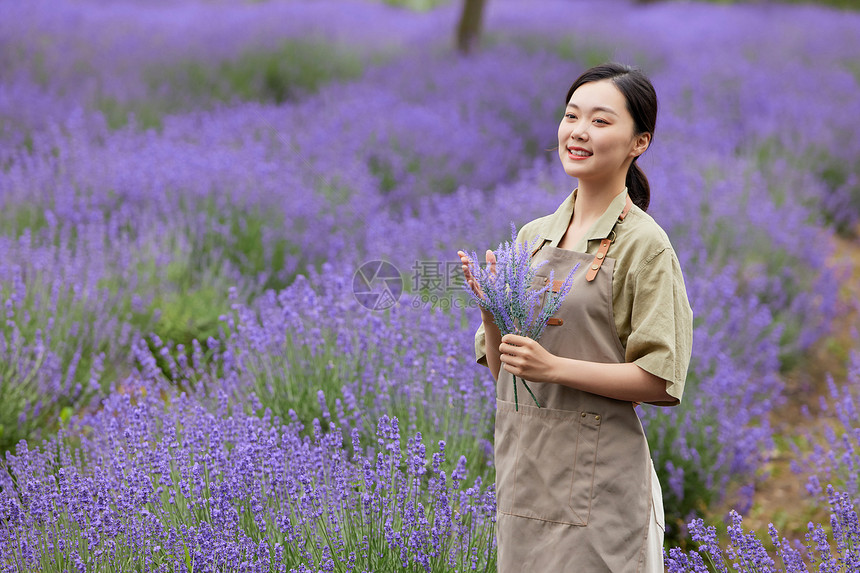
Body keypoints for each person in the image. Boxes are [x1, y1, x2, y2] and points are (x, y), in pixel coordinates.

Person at [457, 62, 693, 572]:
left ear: (640, 142)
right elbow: (509, 377)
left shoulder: (644, 246)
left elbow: (660, 380)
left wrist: (555, 368)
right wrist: (491, 308)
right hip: (525, 473)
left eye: (601, 121)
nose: (579, 132)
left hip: (600, 484)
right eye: (571, 116)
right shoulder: (532, 238)